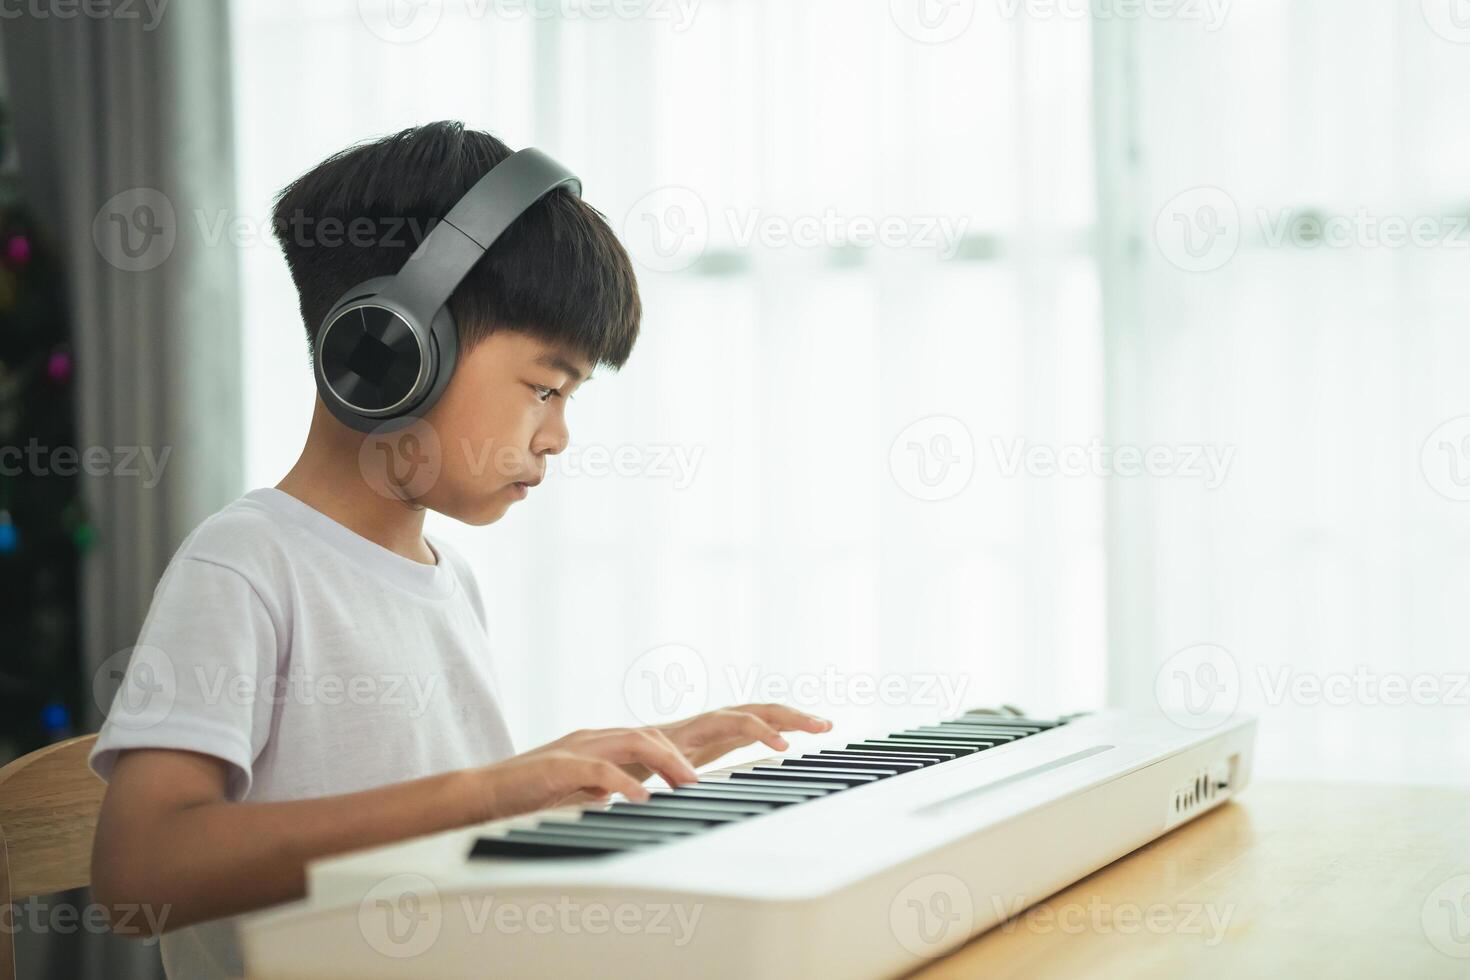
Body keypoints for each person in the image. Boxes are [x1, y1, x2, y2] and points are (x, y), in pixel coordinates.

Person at [88, 120, 830, 980]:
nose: (557, 436)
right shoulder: (248, 565)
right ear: (392, 351)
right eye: (545, 388)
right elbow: (139, 871)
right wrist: (498, 788)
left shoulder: (448, 582)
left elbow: (438, 840)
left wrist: (593, 773)